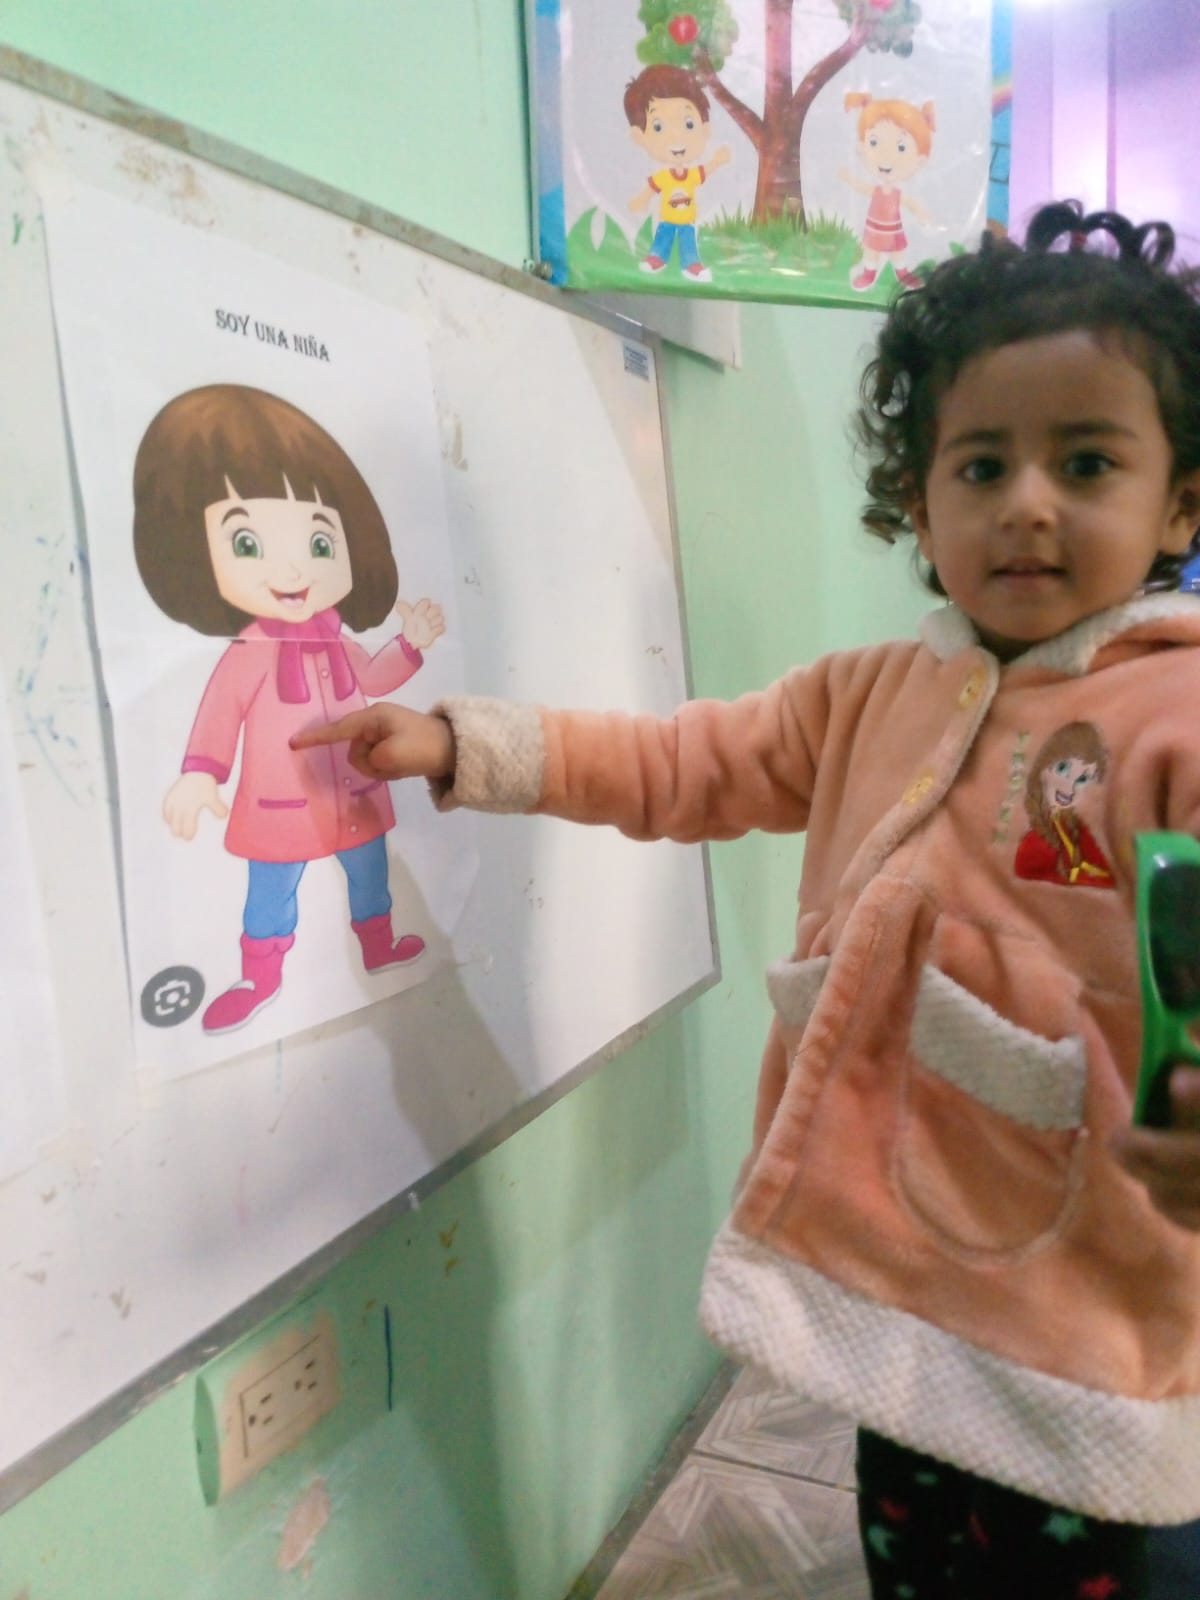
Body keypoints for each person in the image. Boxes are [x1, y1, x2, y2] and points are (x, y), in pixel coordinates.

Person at [293, 204, 1200, 1597]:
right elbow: (680, 766)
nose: (1027, 501)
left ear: (1180, 504)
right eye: (981, 464)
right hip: (890, 1281)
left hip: (1087, 1306)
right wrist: (466, 743)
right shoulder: (868, 693)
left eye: (1086, 462)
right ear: (919, 505)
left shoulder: (1175, 715)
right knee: (912, 1555)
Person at [134, 383, 445, 1034]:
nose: (295, 571)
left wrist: (409, 645)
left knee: (371, 874)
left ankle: (378, 942)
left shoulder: (334, 638)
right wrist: (200, 774)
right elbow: (218, 714)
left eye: (320, 544)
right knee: (269, 894)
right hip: (281, 807)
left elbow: (374, 677)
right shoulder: (249, 654)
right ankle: (260, 978)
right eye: (247, 543)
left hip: (355, 793)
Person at [624, 64, 731, 284]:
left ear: (705, 128)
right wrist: (641, 201)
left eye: (688, 124)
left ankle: (691, 265)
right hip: (667, 219)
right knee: (662, 238)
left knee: (688, 242)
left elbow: (704, 172)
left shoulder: (691, 175)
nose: (675, 136)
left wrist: (717, 162)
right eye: (658, 127)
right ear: (639, 137)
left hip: (687, 220)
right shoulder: (664, 177)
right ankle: (657, 259)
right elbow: (651, 188)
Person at [838, 91, 935, 294]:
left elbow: (910, 203)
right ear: (862, 146)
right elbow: (862, 188)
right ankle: (869, 273)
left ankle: (902, 273)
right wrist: (848, 179)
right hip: (875, 229)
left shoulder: (897, 194)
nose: (886, 157)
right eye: (874, 142)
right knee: (871, 252)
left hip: (892, 230)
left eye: (901, 147)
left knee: (897, 253)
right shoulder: (876, 190)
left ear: (920, 159)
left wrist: (922, 214)